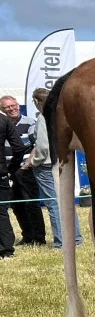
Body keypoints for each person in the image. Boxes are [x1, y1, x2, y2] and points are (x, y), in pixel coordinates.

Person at [24, 87, 83, 248]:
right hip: (62, 162)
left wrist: (33, 162)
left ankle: (62, 241)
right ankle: (76, 239)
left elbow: (43, 147)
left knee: (54, 204)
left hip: (46, 166)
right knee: (66, 203)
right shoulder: (61, 114)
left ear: (37, 101)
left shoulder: (44, 116)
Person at [1, 96, 44, 247]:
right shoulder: (3, 124)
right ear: (2, 110)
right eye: (7, 107)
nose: (12, 109)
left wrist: (26, 164)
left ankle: (39, 237)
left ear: (18, 106)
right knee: (16, 205)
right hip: (8, 169)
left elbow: (35, 143)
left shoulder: (30, 122)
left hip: (25, 169)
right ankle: (27, 236)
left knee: (31, 203)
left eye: (13, 105)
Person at [0, 105, 30, 259]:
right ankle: (6, 250)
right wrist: (10, 168)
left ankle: (6, 249)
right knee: (1, 212)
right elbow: (19, 148)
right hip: (1, 173)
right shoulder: (4, 120)